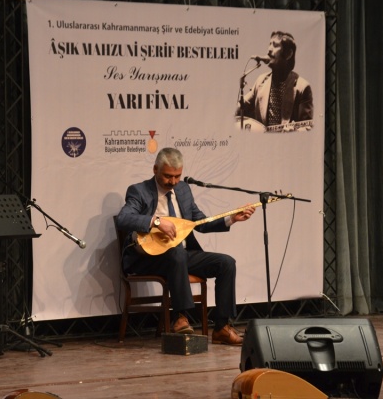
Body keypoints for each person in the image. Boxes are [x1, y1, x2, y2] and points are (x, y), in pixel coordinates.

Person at [116, 148, 255, 345]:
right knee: (177, 254)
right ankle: (181, 317)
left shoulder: (183, 190)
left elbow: (200, 223)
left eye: (177, 176)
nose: (173, 181)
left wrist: (231, 218)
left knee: (226, 263)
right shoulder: (139, 191)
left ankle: (222, 327)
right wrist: (156, 222)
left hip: (180, 255)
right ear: (155, 169)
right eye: (167, 176)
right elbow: (123, 218)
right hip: (148, 258)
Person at [237, 31, 313, 131]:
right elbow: (241, 107)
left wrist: (295, 131)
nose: (269, 49)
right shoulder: (261, 81)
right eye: (269, 44)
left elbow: (308, 127)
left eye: (275, 45)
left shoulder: (302, 87)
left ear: (288, 54)